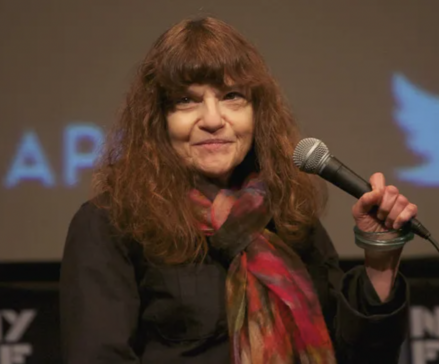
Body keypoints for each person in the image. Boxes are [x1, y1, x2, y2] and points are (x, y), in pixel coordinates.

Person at [59, 16, 418, 364]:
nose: (214, 120)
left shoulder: (286, 214)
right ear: (157, 119)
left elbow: (358, 355)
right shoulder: (112, 223)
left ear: (257, 113)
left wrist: (380, 263)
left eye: (232, 96)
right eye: (186, 100)